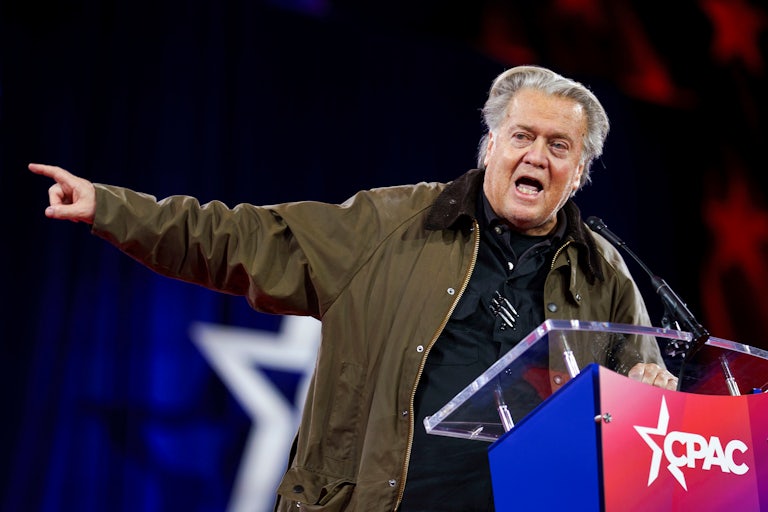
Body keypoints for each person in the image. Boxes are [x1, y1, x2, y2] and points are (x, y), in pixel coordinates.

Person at [30, 64, 677, 511]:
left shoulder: (605, 276)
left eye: (558, 145)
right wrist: (108, 209)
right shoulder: (392, 224)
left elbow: (644, 397)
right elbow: (241, 239)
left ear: (581, 171)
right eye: (522, 136)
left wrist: (652, 388)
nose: (536, 155)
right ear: (490, 145)